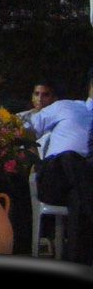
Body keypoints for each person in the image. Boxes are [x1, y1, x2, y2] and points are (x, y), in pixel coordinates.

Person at [24, 69, 93, 264]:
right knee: (70, 157)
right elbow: (27, 127)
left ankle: (77, 263)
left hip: (82, 185)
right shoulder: (66, 107)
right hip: (54, 179)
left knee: (77, 196)